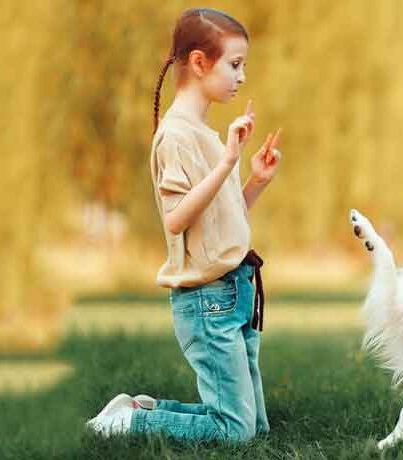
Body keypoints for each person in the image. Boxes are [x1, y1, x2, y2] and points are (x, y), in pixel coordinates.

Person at [87, 7, 282, 442]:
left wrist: (254, 180)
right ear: (199, 62)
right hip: (207, 301)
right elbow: (176, 220)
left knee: (254, 427)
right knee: (235, 433)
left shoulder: (205, 134)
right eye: (235, 64)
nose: (242, 76)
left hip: (235, 291)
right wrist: (228, 161)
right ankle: (126, 424)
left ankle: (142, 407)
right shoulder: (175, 136)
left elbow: (220, 220)